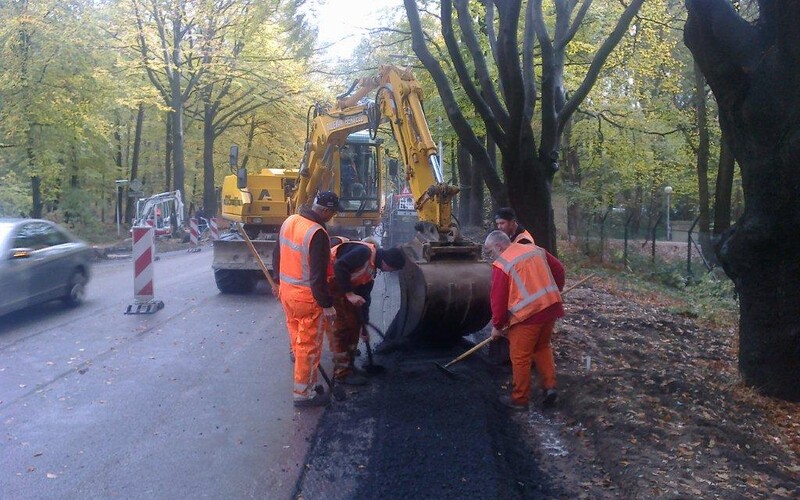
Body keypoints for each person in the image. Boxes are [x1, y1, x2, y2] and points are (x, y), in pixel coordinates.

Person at [273, 191, 343, 408]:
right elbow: (318, 275)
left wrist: (277, 281)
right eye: (332, 212)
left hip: (287, 293)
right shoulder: (317, 234)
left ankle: (304, 380)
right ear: (326, 210)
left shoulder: (291, 220)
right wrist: (326, 304)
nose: (332, 217)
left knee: (297, 339)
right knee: (308, 347)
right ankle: (304, 393)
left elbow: (277, 254)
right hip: (306, 299)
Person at [484, 230, 565, 411]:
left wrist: (497, 326)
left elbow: (498, 300)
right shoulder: (535, 250)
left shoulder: (502, 264)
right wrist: (553, 292)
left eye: (489, 251)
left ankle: (520, 399)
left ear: (498, 246)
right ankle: (550, 388)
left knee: (520, 357)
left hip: (528, 316)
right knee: (543, 347)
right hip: (550, 307)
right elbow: (559, 269)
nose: (490, 256)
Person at [327, 241, 406, 385]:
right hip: (330, 284)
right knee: (342, 330)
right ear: (387, 262)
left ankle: (350, 367)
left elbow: (364, 298)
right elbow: (339, 266)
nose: (390, 272)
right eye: (392, 269)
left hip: (343, 287)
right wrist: (350, 294)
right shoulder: (364, 253)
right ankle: (342, 374)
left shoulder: (371, 270)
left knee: (354, 325)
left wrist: (363, 325)